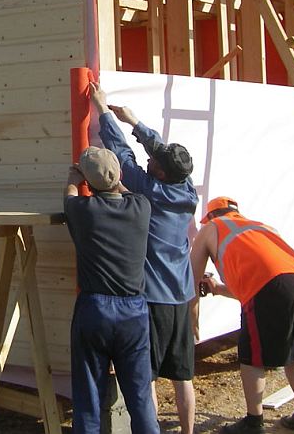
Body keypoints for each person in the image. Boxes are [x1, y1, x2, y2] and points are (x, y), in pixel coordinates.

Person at [89, 82, 198, 434]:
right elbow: (162, 154)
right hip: (180, 297)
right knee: (183, 376)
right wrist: (135, 122)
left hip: (153, 299)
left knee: (145, 376)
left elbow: (122, 156)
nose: (149, 160)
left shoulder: (149, 190)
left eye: (154, 163)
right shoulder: (186, 190)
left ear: (161, 173)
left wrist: (103, 110)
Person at [191, 196, 294, 434]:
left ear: (211, 216)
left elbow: (191, 282)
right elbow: (260, 288)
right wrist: (218, 288)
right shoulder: (259, 227)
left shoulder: (211, 228)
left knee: (251, 357)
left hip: (269, 284)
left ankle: (253, 422)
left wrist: (192, 322)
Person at [63, 146, 160, 434]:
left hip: (95, 310)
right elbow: (125, 192)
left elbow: (69, 196)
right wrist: (112, 178)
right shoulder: (141, 207)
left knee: (88, 396)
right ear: (119, 175)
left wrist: (73, 178)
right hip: (134, 312)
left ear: (87, 181)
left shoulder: (83, 211)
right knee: (140, 396)